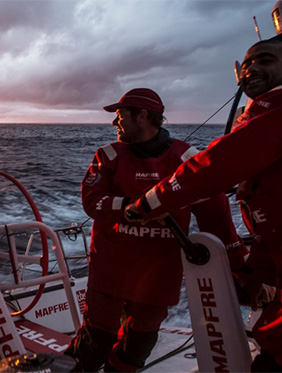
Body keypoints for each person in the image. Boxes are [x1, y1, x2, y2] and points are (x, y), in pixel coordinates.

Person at [125, 41, 282, 372]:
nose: (252, 69)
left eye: (265, 60)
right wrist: (254, 272)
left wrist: (149, 201)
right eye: (245, 65)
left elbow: (218, 164)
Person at [64, 88, 248, 372]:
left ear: (143, 116)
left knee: (138, 346)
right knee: (95, 342)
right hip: (110, 268)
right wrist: (132, 207)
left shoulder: (185, 158)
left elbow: (216, 215)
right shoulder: (109, 155)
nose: (115, 123)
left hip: (159, 273)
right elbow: (92, 201)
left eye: (120, 115)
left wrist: (238, 265)